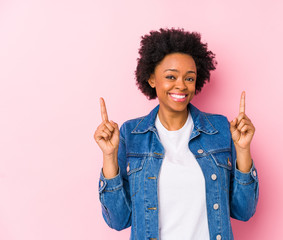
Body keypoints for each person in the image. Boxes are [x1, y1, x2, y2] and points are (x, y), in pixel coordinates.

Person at [93, 28, 259, 240]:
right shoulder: (131, 134)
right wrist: (109, 156)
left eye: (189, 78)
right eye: (171, 76)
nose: (181, 85)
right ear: (152, 79)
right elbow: (118, 220)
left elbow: (244, 211)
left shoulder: (220, 129)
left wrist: (243, 150)